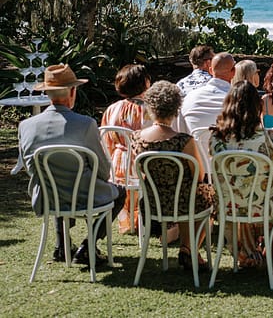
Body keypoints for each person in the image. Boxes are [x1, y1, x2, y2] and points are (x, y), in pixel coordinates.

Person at [15, 64, 126, 265]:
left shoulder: (26, 126)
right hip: (84, 196)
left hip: (47, 198)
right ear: (73, 91)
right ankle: (89, 244)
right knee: (120, 192)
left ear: (47, 94)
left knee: (55, 182)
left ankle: (62, 246)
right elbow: (102, 171)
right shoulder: (85, 124)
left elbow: (31, 169)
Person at [210, 81, 273, 277]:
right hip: (263, 204)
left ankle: (248, 253)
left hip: (229, 204)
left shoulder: (216, 138)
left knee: (248, 192)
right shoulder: (267, 137)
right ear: (256, 107)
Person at [131, 80, 217, 272]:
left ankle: (187, 248)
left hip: (153, 202)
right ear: (177, 108)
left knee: (193, 196)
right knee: (209, 196)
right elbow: (199, 174)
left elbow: (141, 169)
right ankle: (190, 249)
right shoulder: (184, 141)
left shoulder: (137, 138)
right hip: (185, 201)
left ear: (150, 107)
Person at [100, 63, 152, 234]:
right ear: (145, 82)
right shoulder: (151, 110)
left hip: (117, 167)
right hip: (144, 165)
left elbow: (106, 141)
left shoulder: (112, 109)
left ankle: (127, 222)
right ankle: (144, 219)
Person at [177, 53, 235, 135]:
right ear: (234, 72)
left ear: (211, 71)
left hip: (195, 146)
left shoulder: (189, 97)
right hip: (230, 147)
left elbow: (179, 131)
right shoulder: (237, 100)